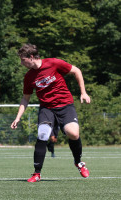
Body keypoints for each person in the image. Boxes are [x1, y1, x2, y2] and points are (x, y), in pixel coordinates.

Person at [11, 44, 91, 182]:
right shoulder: (29, 77)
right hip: (47, 108)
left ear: (31, 57)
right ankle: (36, 173)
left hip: (65, 105)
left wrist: (83, 92)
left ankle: (78, 162)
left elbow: (77, 71)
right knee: (43, 134)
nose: (21, 63)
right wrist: (18, 117)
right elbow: (25, 98)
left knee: (74, 133)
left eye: (23, 60)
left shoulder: (53, 63)